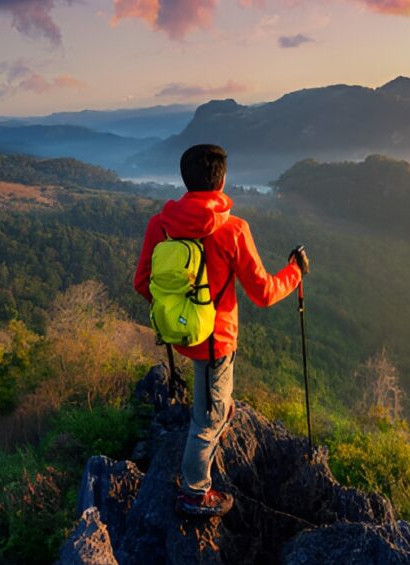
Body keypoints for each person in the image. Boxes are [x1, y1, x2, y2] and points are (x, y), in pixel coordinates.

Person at [134, 144, 310, 518]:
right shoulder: (233, 229)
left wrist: (177, 311)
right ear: (222, 180)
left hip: (182, 336)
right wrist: (294, 273)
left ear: (185, 180)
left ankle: (218, 414)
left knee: (212, 399)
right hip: (217, 340)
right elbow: (262, 293)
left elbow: (142, 282)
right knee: (207, 419)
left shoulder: (160, 225)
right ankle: (194, 494)